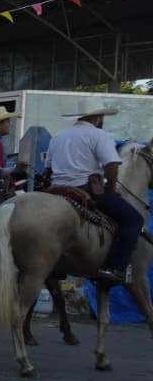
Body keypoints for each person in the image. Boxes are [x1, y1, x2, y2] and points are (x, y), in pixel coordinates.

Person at [46, 105, 143, 284]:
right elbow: (111, 164)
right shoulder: (99, 135)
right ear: (98, 118)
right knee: (134, 220)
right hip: (85, 189)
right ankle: (114, 268)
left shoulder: (58, 135)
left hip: (56, 190)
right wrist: (112, 188)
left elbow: (49, 167)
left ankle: (54, 265)